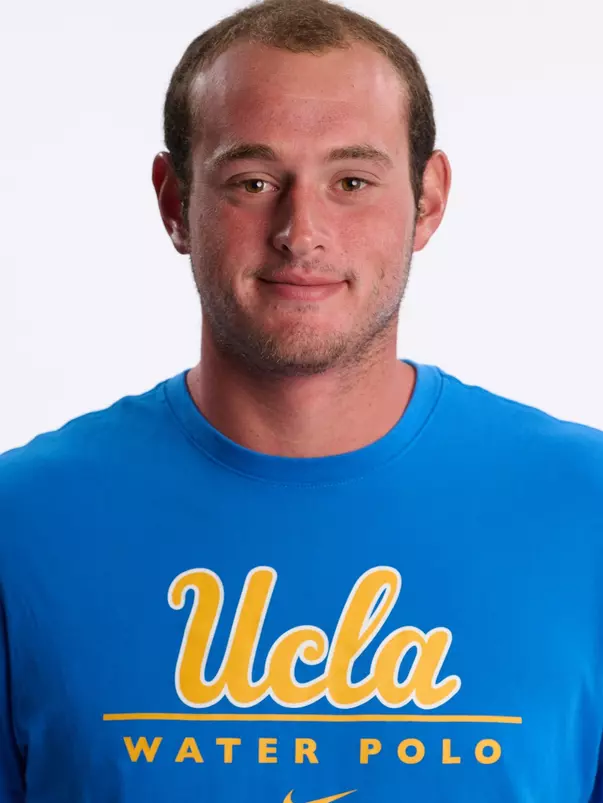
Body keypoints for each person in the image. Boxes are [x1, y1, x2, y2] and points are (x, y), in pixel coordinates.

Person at [1, 0, 602, 800]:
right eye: (252, 181)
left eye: (351, 181)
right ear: (175, 203)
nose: (300, 230)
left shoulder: (585, 509)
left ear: (427, 200)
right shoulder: (21, 522)